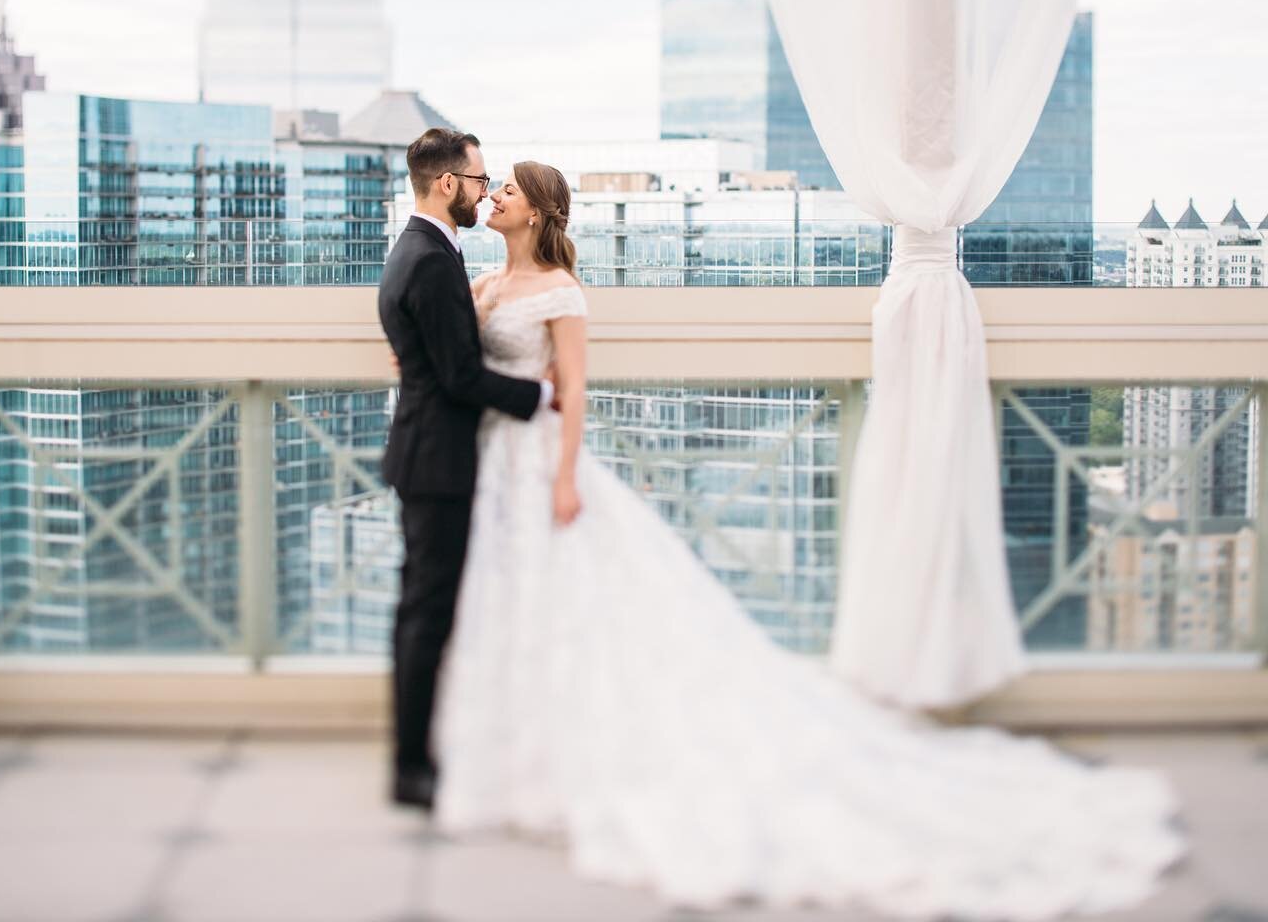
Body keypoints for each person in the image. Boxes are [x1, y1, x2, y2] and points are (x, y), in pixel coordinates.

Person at [424, 159, 1185, 920]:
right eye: (493, 189)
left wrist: (565, 476)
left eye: (509, 192)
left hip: (541, 461)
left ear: (538, 212)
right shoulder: (483, 286)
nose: (493, 198)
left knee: (582, 609)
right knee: (519, 605)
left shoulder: (559, 291)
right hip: (490, 464)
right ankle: (528, 757)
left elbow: (576, 387)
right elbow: (445, 353)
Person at [376, 128, 555, 810]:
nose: (485, 192)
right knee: (427, 615)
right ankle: (410, 766)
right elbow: (457, 376)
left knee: (419, 611)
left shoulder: (420, 250)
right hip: (438, 461)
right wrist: (540, 395)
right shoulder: (429, 259)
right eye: (480, 181)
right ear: (447, 184)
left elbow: (431, 354)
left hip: (425, 453)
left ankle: (417, 751)